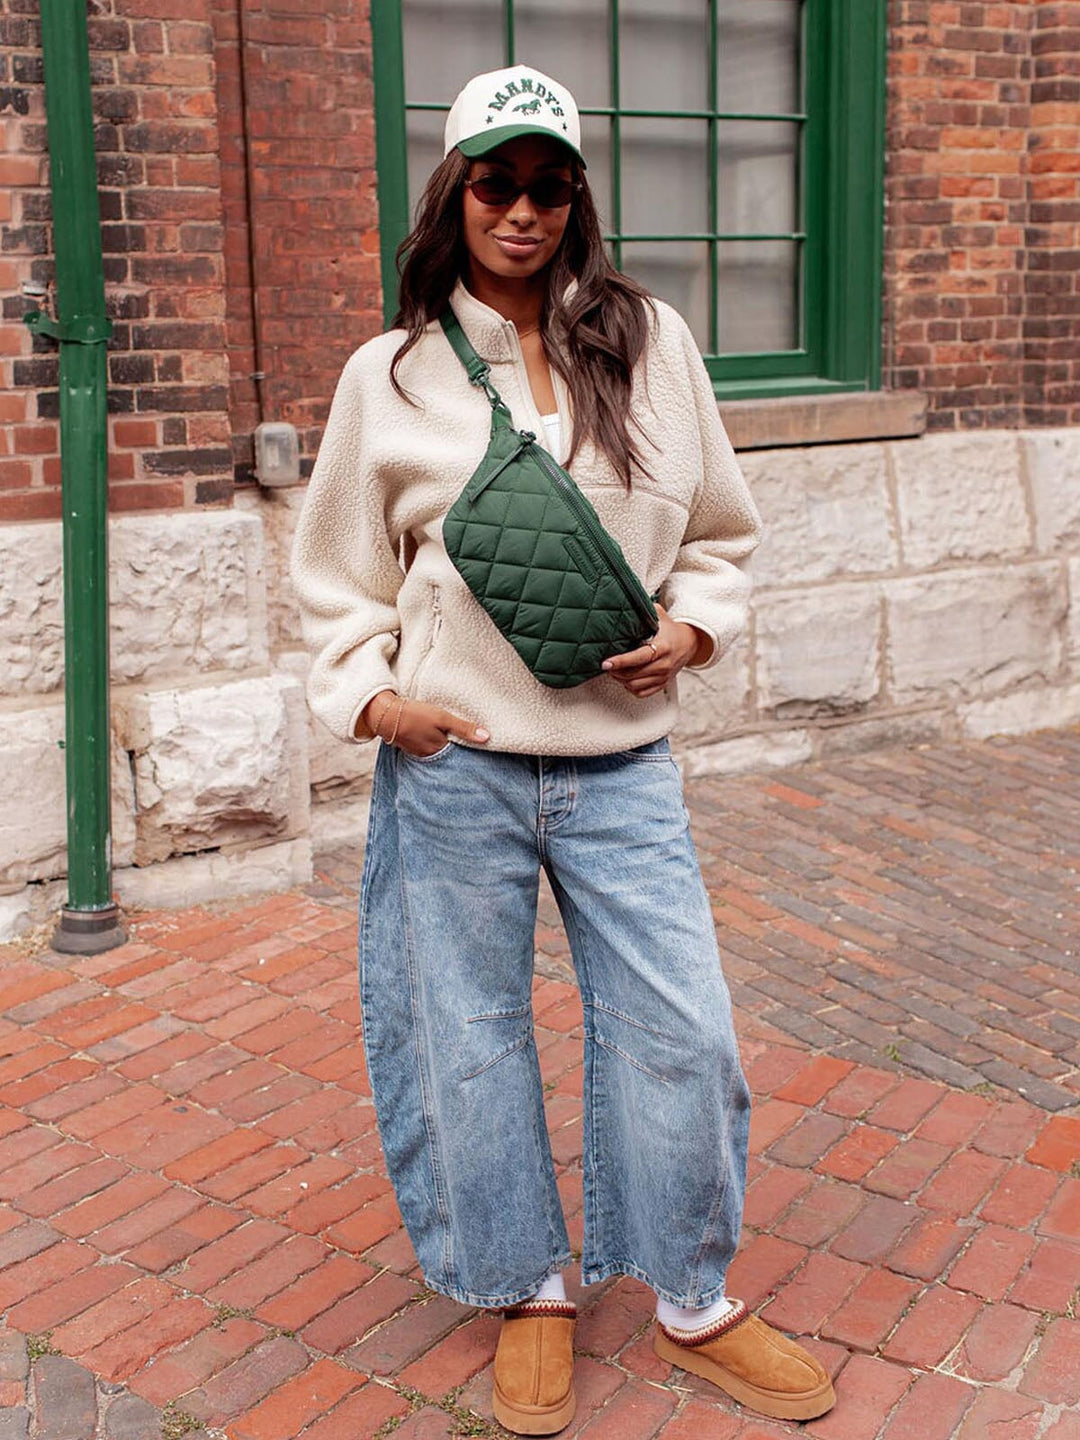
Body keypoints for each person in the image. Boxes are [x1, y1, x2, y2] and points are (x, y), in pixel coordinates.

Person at [291, 63, 836, 1436]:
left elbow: (720, 531)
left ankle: (694, 1296)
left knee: (683, 1031)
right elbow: (338, 573)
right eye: (496, 182)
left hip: (621, 766)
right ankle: (528, 1288)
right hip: (456, 760)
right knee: (465, 1036)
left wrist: (696, 632)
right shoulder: (394, 372)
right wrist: (374, 701)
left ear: (578, 196)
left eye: (549, 184)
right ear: (455, 193)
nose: (521, 210)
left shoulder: (655, 345)